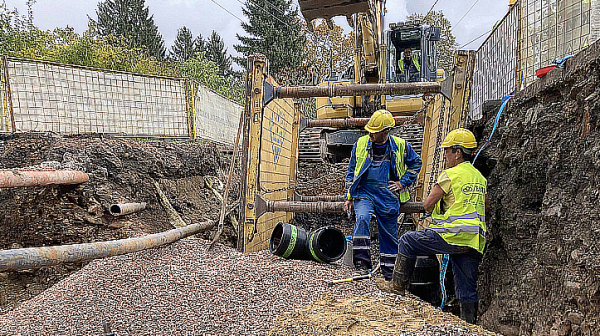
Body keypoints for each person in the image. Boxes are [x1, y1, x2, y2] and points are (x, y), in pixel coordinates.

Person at [389, 128, 489, 325]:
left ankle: (397, 288)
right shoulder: (479, 177)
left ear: (458, 152)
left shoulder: (450, 175)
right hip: (474, 240)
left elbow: (427, 204)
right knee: (466, 289)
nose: (445, 156)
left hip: (452, 235)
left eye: (447, 151)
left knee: (407, 241)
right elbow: (486, 206)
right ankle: (469, 325)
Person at [343, 110, 422, 286]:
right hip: (364, 191)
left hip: (387, 194)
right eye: (369, 130)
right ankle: (362, 264)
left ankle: (389, 274)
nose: (370, 133)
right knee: (362, 218)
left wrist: (402, 183)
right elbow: (351, 171)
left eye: (374, 131)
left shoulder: (401, 146)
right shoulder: (361, 144)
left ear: (386, 132)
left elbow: (416, 163)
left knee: (388, 232)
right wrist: (348, 196)